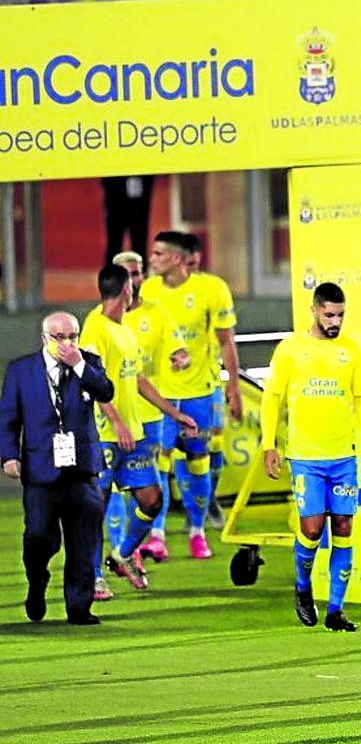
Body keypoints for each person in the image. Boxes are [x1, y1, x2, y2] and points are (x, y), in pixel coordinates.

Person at [261, 283, 361, 632]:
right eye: (329, 314)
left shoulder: (351, 352)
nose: (335, 321)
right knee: (311, 530)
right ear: (314, 310)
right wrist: (269, 444)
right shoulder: (291, 350)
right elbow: (272, 397)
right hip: (306, 457)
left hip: (343, 457)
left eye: (340, 315)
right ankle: (302, 584)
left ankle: (336, 610)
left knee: (343, 527)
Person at [81, 265, 197, 593]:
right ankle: (93, 577)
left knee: (152, 501)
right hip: (105, 435)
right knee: (96, 508)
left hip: (133, 434)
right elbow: (92, 382)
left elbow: (138, 379)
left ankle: (121, 555)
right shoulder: (95, 330)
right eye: (131, 285)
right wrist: (116, 423)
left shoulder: (124, 330)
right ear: (124, 291)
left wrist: (174, 413)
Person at [0, 313, 114, 625]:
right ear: (44, 339)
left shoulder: (88, 364)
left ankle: (79, 607)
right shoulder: (21, 371)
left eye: (72, 337)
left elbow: (106, 391)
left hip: (82, 469)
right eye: (59, 337)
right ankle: (37, 580)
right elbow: (7, 418)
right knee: (39, 535)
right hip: (40, 470)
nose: (66, 344)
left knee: (84, 536)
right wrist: (9, 455)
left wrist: (79, 364)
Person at [140, 230, 241, 559]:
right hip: (160, 395)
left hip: (200, 393)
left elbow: (226, 340)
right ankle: (157, 534)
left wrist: (234, 387)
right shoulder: (148, 290)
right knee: (159, 466)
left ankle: (197, 530)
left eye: (157, 254)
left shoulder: (211, 290)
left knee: (199, 463)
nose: (151, 260)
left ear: (177, 259)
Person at [113, 251, 189, 565]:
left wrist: (181, 358)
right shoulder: (103, 320)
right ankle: (123, 549)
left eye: (138, 272)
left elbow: (179, 348)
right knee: (117, 486)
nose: (134, 280)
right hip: (115, 417)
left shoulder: (157, 314)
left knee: (152, 479)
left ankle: (156, 539)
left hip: (152, 415)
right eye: (128, 274)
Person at [184, 235, 232, 530]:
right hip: (177, 387)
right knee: (185, 448)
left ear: (198, 259)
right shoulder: (162, 294)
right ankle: (193, 513)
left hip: (210, 382)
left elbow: (226, 337)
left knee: (214, 444)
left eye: (191, 261)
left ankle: (209, 499)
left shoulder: (212, 290)